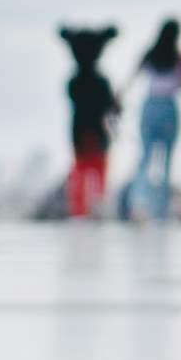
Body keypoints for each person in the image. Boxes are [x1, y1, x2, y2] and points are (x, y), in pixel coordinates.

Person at [123, 19, 181, 222]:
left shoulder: (149, 54)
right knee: (167, 161)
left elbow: (130, 79)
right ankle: (161, 211)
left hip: (150, 106)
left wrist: (118, 100)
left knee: (144, 158)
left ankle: (137, 205)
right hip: (169, 106)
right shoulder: (180, 58)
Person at [60, 23, 120, 220]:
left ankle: (79, 210)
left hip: (79, 130)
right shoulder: (101, 82)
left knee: (80, 170)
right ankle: (96, 208)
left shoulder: (74, 81)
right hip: (98, 130)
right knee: (98, 170)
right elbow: (113, 107)